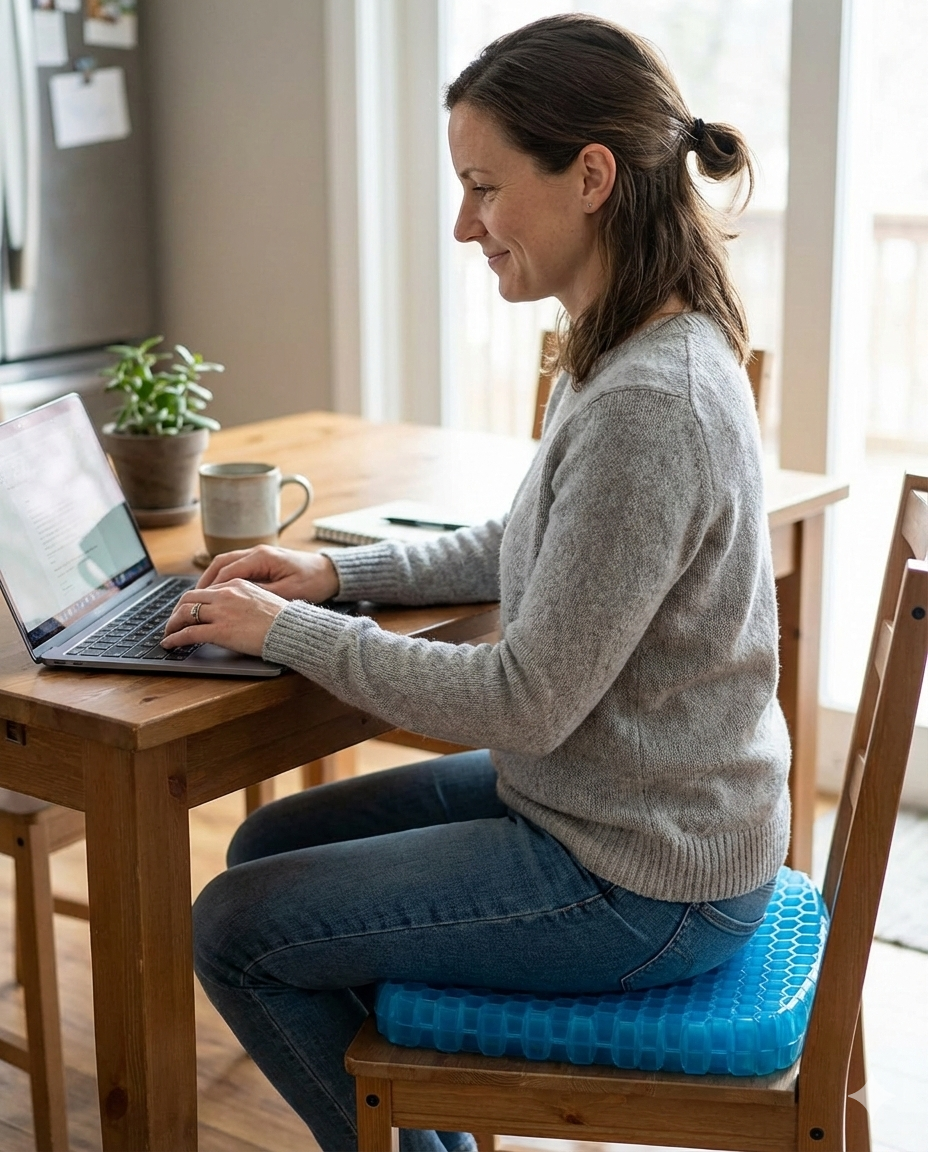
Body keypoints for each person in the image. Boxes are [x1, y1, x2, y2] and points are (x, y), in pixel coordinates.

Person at [162, 14, 790, 1152]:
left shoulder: (652, 400)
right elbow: (532, 540)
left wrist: (290, 628)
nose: (466, 225)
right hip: (615, 812)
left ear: (590, 176)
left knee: (234, 925)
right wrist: (336, 570)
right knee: (262, 856)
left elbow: (522, 700)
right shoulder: (633, 345)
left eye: (485, 187)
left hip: (643, 879)